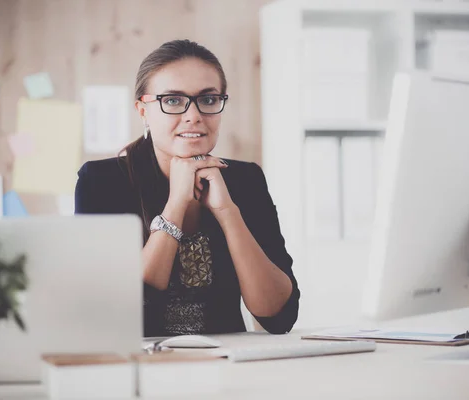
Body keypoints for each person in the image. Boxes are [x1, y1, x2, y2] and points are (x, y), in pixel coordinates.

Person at [75, 39, 300, 337]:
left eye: (208, 100)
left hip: (228, 365)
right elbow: (114, 316)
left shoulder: (245, 180)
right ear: (143, 110)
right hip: (140, 366)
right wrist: (176, 206)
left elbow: (278, 317)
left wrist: (227, 212)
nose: (193, 115)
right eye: (172, 100)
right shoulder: (101, 182)